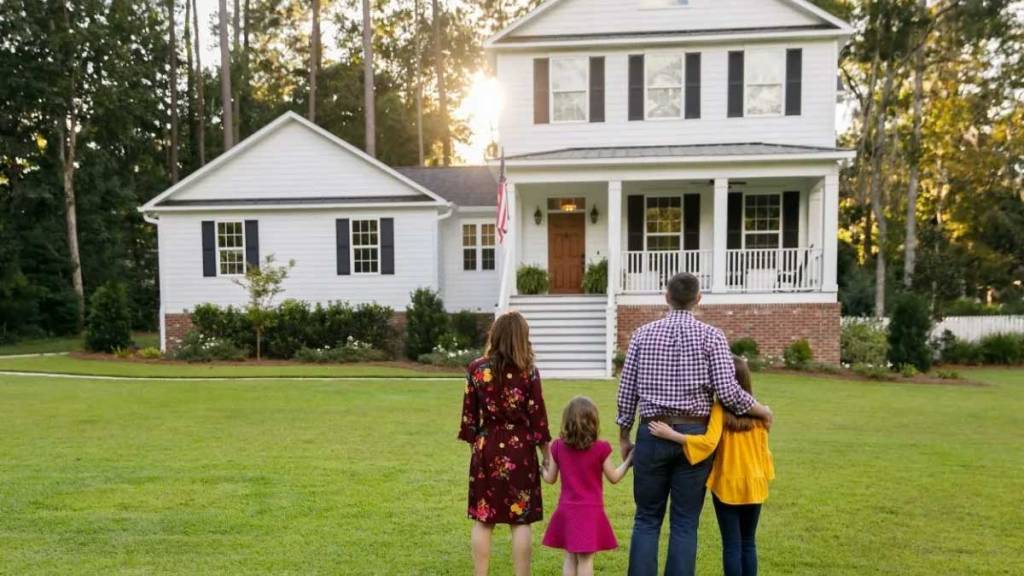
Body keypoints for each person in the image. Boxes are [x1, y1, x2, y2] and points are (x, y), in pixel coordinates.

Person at [616, 272, 774, 576]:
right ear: (698, 299)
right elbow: (729, 392)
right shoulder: (712, 336)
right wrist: (762, 410)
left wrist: (624, 434)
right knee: (685, 522)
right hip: (695, 436)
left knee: (646, 519)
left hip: (651, 430)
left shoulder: (642, 335)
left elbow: (627, 390)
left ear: (666, 297)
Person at [650, 356, 775, 576]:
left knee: (732, 544)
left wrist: (672, 434)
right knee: (748, 542)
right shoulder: (762, 414)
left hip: (727, 486)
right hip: (755, 485)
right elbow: (765, 452)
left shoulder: (719, 409)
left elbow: (708, 443)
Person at [458, 311, 551, 576]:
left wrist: (477, 451)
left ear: (495, 335)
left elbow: (469, 419)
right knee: (520, 519)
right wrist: (546, 455)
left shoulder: (476, 369)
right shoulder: (529, 372)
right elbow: (538, 418)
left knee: (483, 518)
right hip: (520, 449)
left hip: (486, 446)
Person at [541, 396, 633, 576]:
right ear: (593, 422)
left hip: (567, 511)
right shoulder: (601, 448)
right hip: (591, 512)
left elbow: (550, 478)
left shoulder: (558, 447)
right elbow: (614, 477)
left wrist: (541, 470)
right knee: (586, 559)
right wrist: (629, 460)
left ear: (566, 422)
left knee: (569, 557)